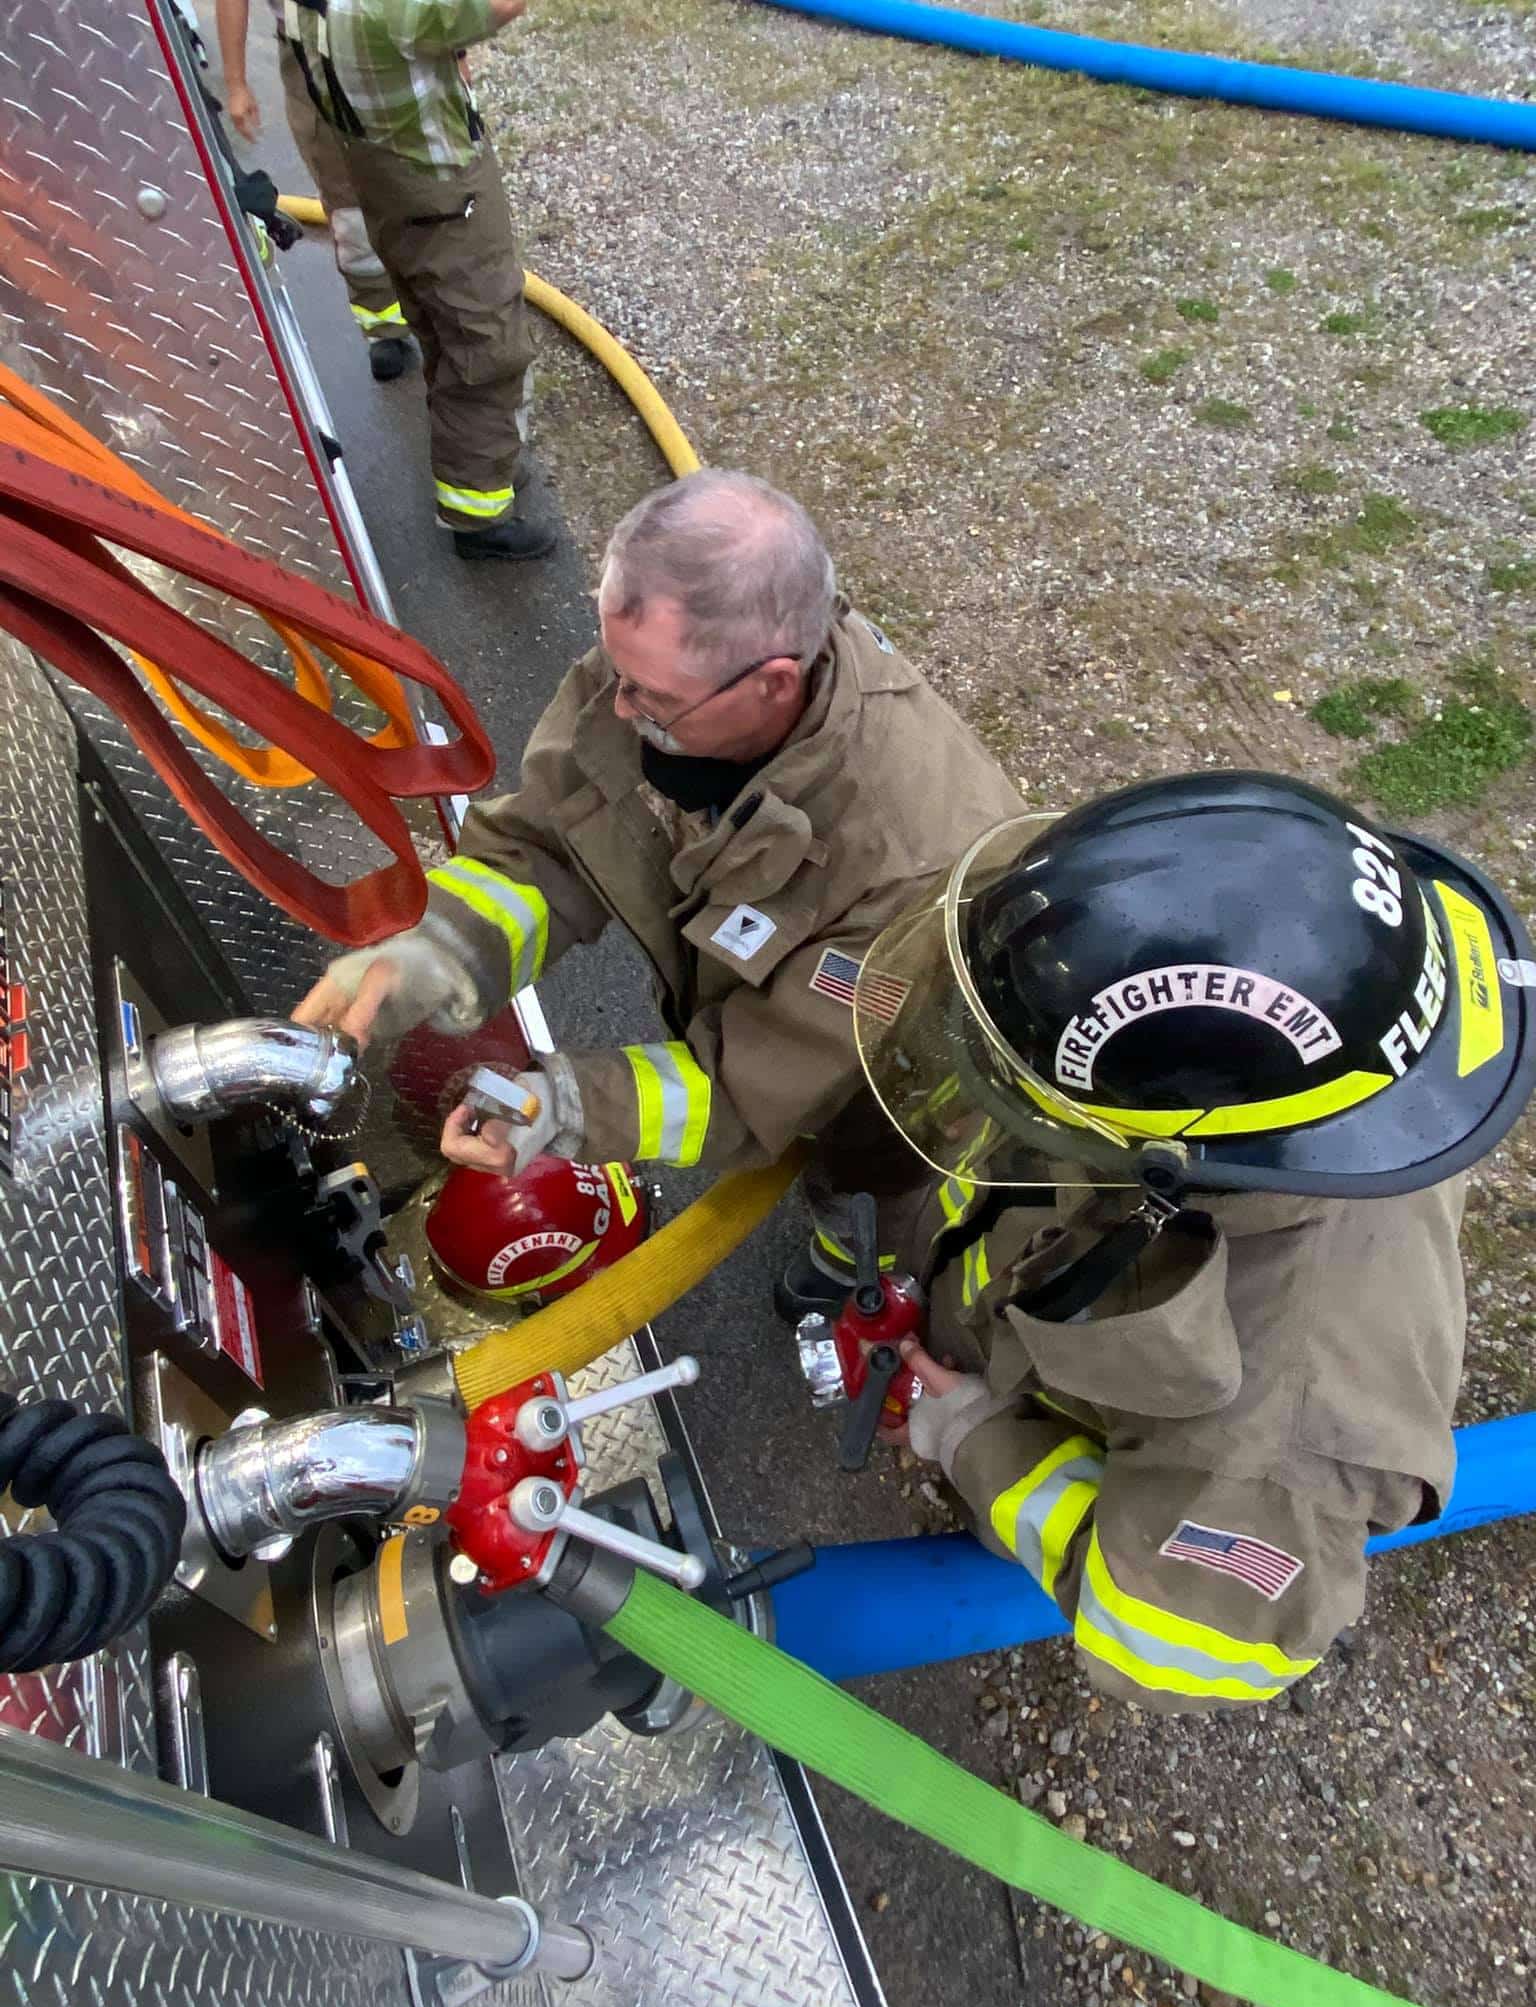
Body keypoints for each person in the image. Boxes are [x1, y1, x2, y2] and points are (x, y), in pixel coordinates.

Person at [852, 771, 1534, 1713]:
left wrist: (975, 1437)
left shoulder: (1284, 1428)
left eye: (1054, 1112)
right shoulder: (1349, 1030)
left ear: (1186, 1145)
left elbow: (1170, 1645)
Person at [294, 467, 1025, 1302]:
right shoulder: (665, 670)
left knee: (870, 1166)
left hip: (901, 1052)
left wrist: (567, 1106)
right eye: (616, 670)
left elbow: (759, 1082)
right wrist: (439, 954)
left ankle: (859, 1259)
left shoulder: (907, 863)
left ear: (774, 684)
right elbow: (554, 840)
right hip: (810, 1006)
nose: (619, 707)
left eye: (651, 697)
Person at [276, 0, 553, 562]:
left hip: (384, 184)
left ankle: (480, 463)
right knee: (486, 349)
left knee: (438, 328)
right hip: (444, 195)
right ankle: (479, 517)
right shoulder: (392, 8)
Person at [215, 0, 415, 382]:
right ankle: (384, 323)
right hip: (308, 50)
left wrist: (454, 54)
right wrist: (236, 84)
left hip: (388, 29)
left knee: (418, 181)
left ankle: (440, 308)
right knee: (349, 206)